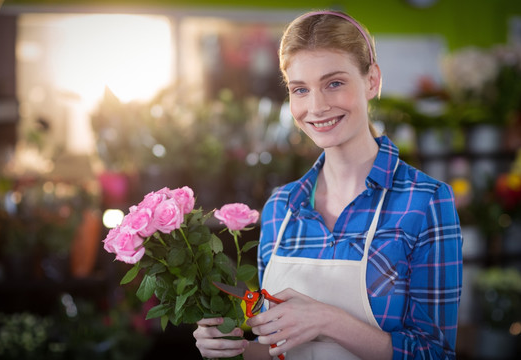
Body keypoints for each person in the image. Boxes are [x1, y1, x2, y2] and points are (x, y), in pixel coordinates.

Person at [194, 9, 462, 360]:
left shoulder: (424, 202)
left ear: (372, 81)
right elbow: (275, 346)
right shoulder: (281, 206)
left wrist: (329, 320)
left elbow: (436, 354)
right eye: (300, 89)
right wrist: (234, 348)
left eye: (334, 83)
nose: (316, 106)